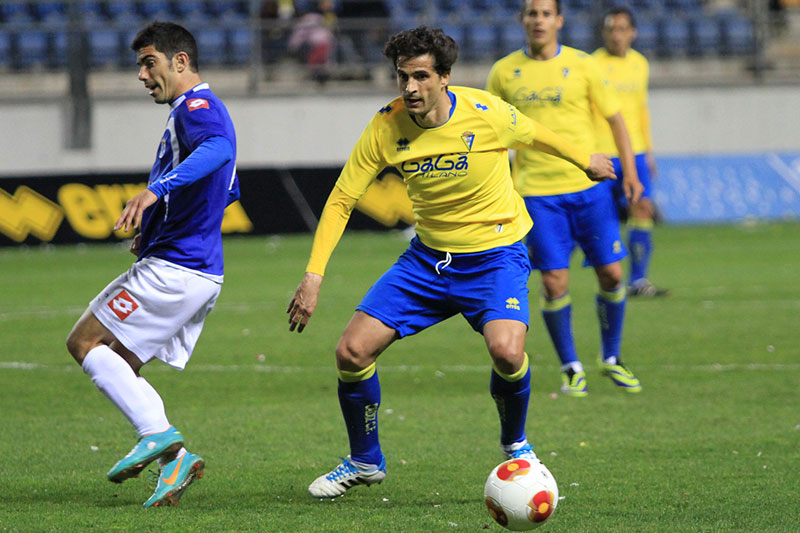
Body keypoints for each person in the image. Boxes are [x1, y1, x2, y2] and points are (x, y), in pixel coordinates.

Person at [287, 26, 615, 498]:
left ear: (444, 77)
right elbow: (341, 199)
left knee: (507, 352)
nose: (409, 88)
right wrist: (312, 276)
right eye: (402, 77)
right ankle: (365, 460)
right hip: (427, 262)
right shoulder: (386, 125)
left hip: (496, 256)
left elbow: (538, 134)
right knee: (351, 352)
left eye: (420, 76)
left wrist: (585, 160)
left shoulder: (486, 113)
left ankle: (516, 444)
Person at [65, 21, 240, 508]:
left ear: (179, 62)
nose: (142, 75)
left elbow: (219, 151)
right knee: (119, 362)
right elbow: (227, 189)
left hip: (178, 267)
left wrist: (154, 192)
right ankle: (173, 459)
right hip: (194, 266)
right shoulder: (195, 112)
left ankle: (155, 435)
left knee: (84, 341)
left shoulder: (198, 108)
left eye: (149, 63)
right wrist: (156, 226)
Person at [486, 0, 644, 397]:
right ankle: (571, 366)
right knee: (555, 282)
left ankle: (611, 357)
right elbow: (490, 134)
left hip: (591, 191)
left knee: (612, 274)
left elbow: (616, 119)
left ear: (558, 20)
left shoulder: (584, 65)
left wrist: (631, 174)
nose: (537, 20)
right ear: (523, 21)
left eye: (544, 14)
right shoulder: (503, 72)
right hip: (537, 195)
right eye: (531, 13)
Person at [594, 6, 668, 297]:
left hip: (635, 152)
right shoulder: (592, 64)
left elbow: (641, 110)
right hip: (603, 151)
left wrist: (648, 152)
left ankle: (638, 280)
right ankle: (610, 278)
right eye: (611, 29)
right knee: (604, 216)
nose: (616, 35)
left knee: (642, 208)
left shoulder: (640, 64)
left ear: (633, 33)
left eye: (622, 29)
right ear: (604, 33)